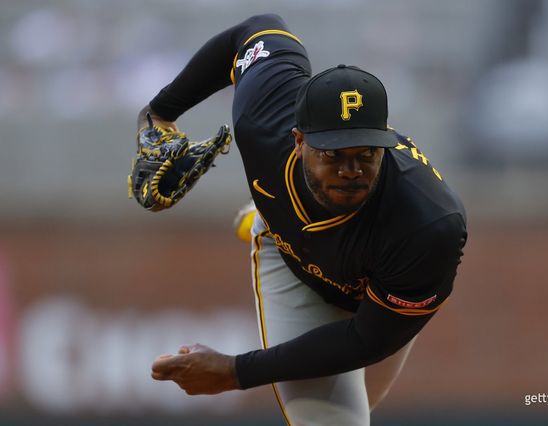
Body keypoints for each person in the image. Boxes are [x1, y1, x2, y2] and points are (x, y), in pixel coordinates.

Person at [147, 13, 467, 426]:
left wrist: (235, 371)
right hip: (293, 263)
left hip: (379, 297)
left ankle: (272, 212)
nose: (351, 170)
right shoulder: (265, 116)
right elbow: (256, 29)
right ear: (298, 141)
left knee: (353, 400)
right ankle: (269, 217)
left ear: (384, 144)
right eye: (333, 153)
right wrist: (159, 112)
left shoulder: (429, 225)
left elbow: (366, 340)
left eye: (366, 153)